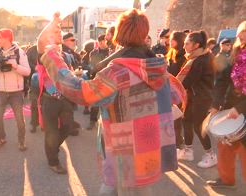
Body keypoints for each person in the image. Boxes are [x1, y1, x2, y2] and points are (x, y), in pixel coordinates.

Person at [38, 9, 185, 194]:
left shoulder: (118, 73)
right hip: (149, 150)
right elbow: (175, 96)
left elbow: (81, 92)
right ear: (144, 34)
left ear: (118, 34)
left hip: (126, 157)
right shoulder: (158, 67)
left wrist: (52, 56)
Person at [207, 21, 246, 189]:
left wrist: (241, 108)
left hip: (242, 108)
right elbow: (222, 81)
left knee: (244, 151)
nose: (240, 35)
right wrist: (216, 104)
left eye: (244, 32)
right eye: (240, 32)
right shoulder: (234, 54)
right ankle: (227, 179)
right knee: (225, 145)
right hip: (230, 106)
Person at [176, 31, 217, 168]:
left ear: (196, 45)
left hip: (202, 97)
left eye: (187, 43)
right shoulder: (196, 57)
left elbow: (187, 82)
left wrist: (172, 87)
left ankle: (211, 155)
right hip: (193, 95)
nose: (184, 46)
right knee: (186, 120)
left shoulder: (200, 60)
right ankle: (188, 151)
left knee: (199, 126)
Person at [0, 29, 30, 151]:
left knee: (19, 119)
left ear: (7, 38)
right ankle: (1, 138)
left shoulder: (20, 52)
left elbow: (27, 71)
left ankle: (21, 140)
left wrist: (15, 65)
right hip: (1, 91)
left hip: (16, 92)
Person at [166, 31, 187, 149]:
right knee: (172, 117)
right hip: (170, 88)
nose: (170, 41)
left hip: (179, 89)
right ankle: (175, 141)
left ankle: (179, 142)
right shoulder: (172, 54)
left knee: (176, 118)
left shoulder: (184, 56)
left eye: (173, 39)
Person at [87, 34, 109, 130]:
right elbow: (92, 65)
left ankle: (108, 123)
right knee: (95, 101)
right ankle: (92, 121)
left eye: (103, 41)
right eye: (99, 41)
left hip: (109, 78)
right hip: (97, 77)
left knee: (109, 102)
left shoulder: (111, 51)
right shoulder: (93, 53)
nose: (101, 43)